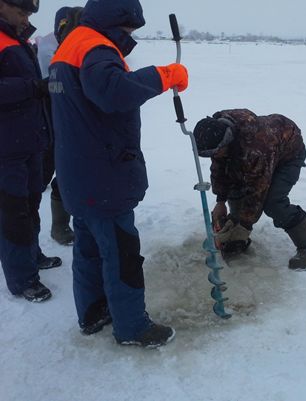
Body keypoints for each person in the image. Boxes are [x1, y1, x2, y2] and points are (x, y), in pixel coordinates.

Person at [48, 0, 188, 348]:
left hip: (78, 173)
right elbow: (113, 92)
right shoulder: (96, 49)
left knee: (90, 247)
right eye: (128, 29)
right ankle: (132, 327)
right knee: (121, 253)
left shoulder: (70, 46)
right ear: (115, 21)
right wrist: (164, 75)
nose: (129, 36)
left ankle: (93, 312)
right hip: (102, 175)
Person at [193, 109, 306, 271]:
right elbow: (220, 167)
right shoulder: (217, 131)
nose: (214, 156)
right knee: (236, 183)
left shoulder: (256, 148)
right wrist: (220, 201)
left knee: (273, 202)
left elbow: (258, 191)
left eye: (215, 152)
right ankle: (235, 230)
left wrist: (245, 224)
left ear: (225, 142)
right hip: (261, 150)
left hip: (287, 155)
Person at [0, 0, 63, 303]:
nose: (26, 18)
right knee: (14, 213)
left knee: (31, 204)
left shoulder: (18, 39)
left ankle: (32, 256)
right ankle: (22, 279)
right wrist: (32, 87)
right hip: (6, 149)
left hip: (31, 141)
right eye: (22, 11)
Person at [36, 6, 83, 246]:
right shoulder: (49, 49)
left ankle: (62, 224)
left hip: (70, 117)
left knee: (70, 170)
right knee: (57, 170)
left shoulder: (71, 45)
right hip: (51, 117)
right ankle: (59, 226)